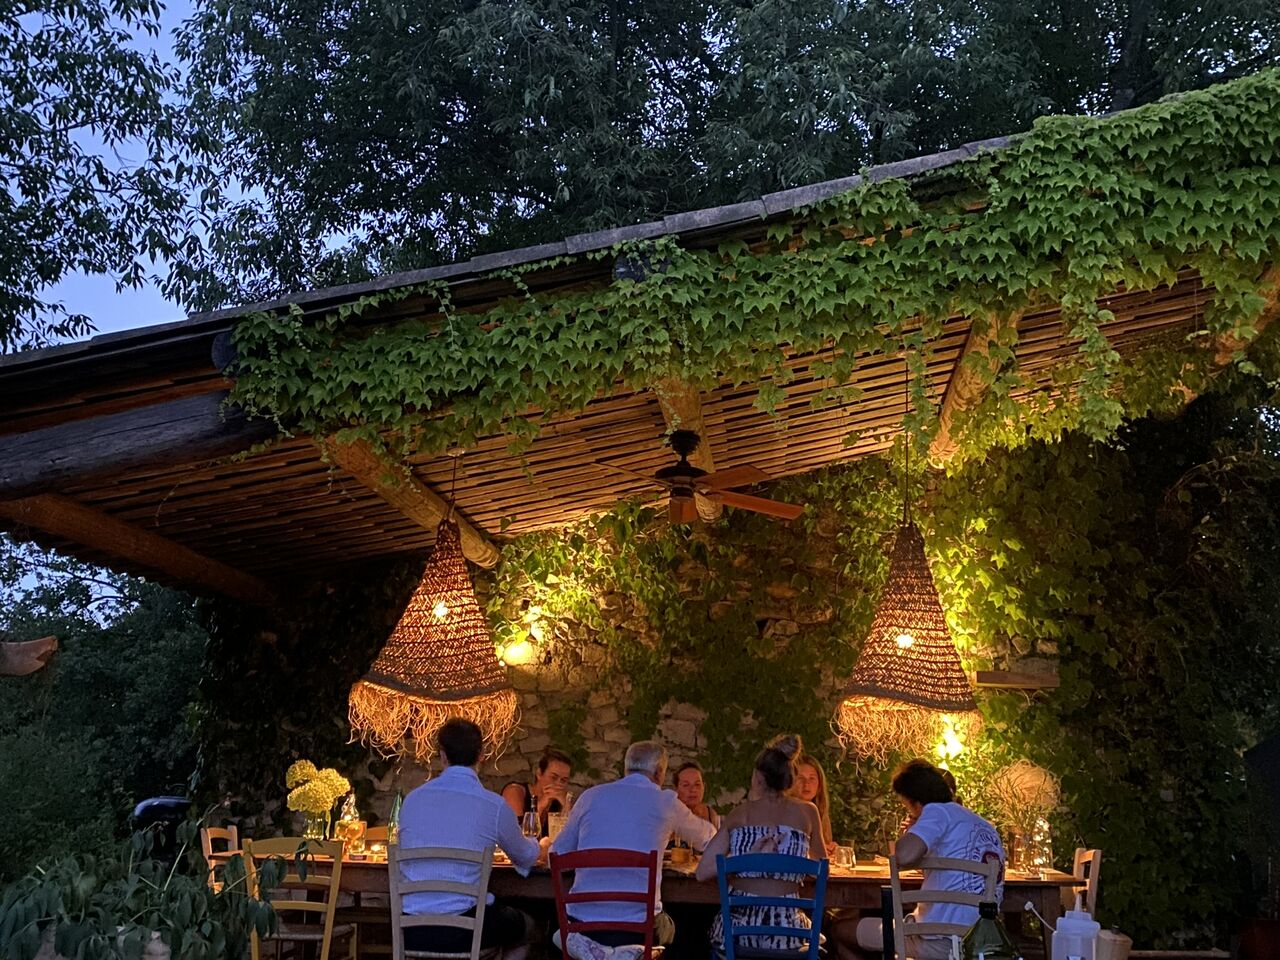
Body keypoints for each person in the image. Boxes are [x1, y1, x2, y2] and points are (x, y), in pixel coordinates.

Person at [551, 740, 717, 960]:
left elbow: (557, 854)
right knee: (679, 924)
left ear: (626, 768)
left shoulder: (590, 797)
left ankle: (601, 952)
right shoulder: (665, 802)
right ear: (659, 772)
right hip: (639, 930)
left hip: (583, 927)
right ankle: (628, 953)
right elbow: (711, 840)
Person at [399, 718, 548, 960]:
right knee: (530, 928)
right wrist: (540, 845)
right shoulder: (493, 806)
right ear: (481, 755)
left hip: (411, 929)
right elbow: (526, 857)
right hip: (465, 931)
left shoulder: (412, 801)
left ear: (442, 755)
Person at [833, 760, 1004, 960]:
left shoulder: (937, 810)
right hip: (981, 941)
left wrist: (914, 828)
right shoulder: (985, 826)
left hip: (938, 940)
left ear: (915, 802)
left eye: (907, 806)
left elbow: (903, 855)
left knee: (840, 929)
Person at [696, 734, 824, 953]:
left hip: (740, 932)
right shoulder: (808, 813)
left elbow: (702, 872)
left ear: (758, 778)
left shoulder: (740, 815)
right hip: (788, 932)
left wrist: (745, 861)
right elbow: (822, 868)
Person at [503, 745, 573, 836]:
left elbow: (571, 835)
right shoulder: (515, 792)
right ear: (539, 774)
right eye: (553, 777)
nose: (558, 783)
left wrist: (566, 805)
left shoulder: (559, 801)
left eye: (563, 780)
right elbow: (516, 836)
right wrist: (541, 805)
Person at [792, 753, 836, 856]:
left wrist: (831, 849)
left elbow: (822, 852)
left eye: (812, 778)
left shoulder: (820, 813)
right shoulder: (785, 812)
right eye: (800, 778)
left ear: (819, 784)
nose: (806, 784)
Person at [673, 761, 720, 830]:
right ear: (676, 789)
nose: (693, 789)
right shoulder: (669, 816)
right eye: (686, 785)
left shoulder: (710, 815)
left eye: (697, 784)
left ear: (704, 787)